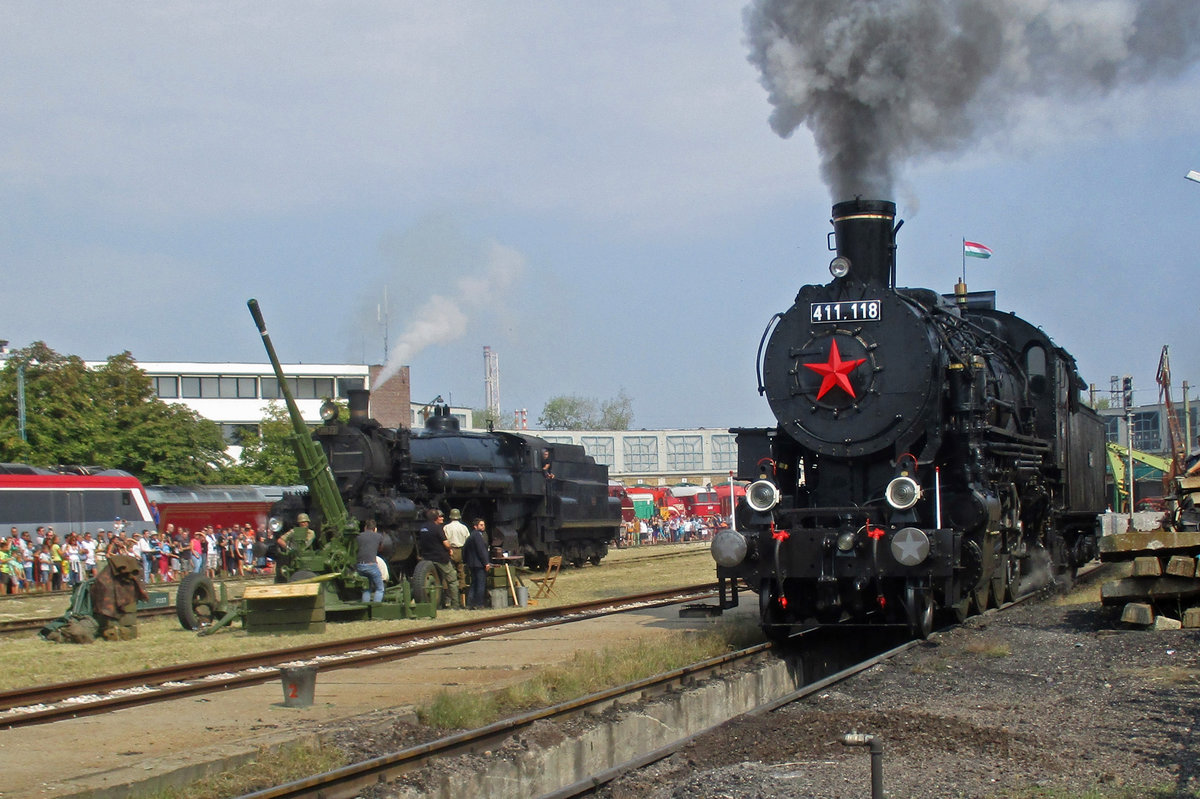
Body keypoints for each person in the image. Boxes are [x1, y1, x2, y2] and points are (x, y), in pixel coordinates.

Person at [417, 509, 460, 609]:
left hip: (427, 558)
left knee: (437, 581)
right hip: (440, 558)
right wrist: (450, 548)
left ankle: (439, 604)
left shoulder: (423, 528)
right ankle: (455, 605)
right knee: (452, 580)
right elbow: (446, 543)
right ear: (436, 518)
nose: (442, 518)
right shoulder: (437, 528)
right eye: (440, 517)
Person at [463, 517, 492, 609]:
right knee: (480, 583)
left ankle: (470, 603)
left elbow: (464, 550)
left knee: (474, 583)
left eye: (483, 525)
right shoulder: (478, 536)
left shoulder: (470, 536)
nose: (483, 526)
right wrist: (486, 563)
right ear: (475, 526)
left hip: (472, 564)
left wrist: (466, 561)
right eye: (481, 525)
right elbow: (481, 550)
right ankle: (479, 604)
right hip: (479, 564)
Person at [355, 519, 386, 603]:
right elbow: (381, 549)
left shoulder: (359, 536)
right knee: (380, 588)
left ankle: (365, 605)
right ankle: (376, 607)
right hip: (371, 565)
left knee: (366, 588)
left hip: (359, 566)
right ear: (375, 529)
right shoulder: (378, 536)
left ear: (365, 527)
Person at [443, 509, 469, 604]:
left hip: (450, 550)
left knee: (449, 573)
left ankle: (449, 597)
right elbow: (468, 539)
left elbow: (444, 540)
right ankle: (462, 596)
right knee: (461, 573)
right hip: (461, 550)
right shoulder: (464, 527)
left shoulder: (446, 527)